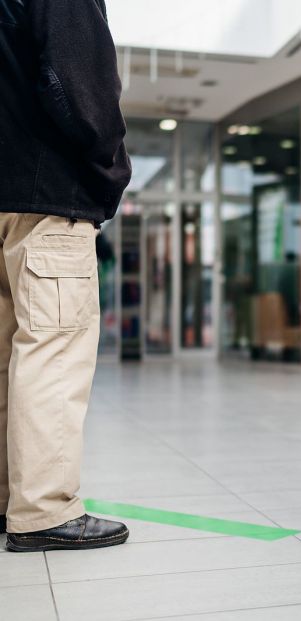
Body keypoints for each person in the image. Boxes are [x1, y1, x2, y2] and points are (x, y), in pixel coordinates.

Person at [0, 0, 132, 551]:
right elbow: (79, 82)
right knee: (53, 350)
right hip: (48, 196)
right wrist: (111, 172)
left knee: (8, 357)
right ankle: (43, 509)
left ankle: (10, 499)